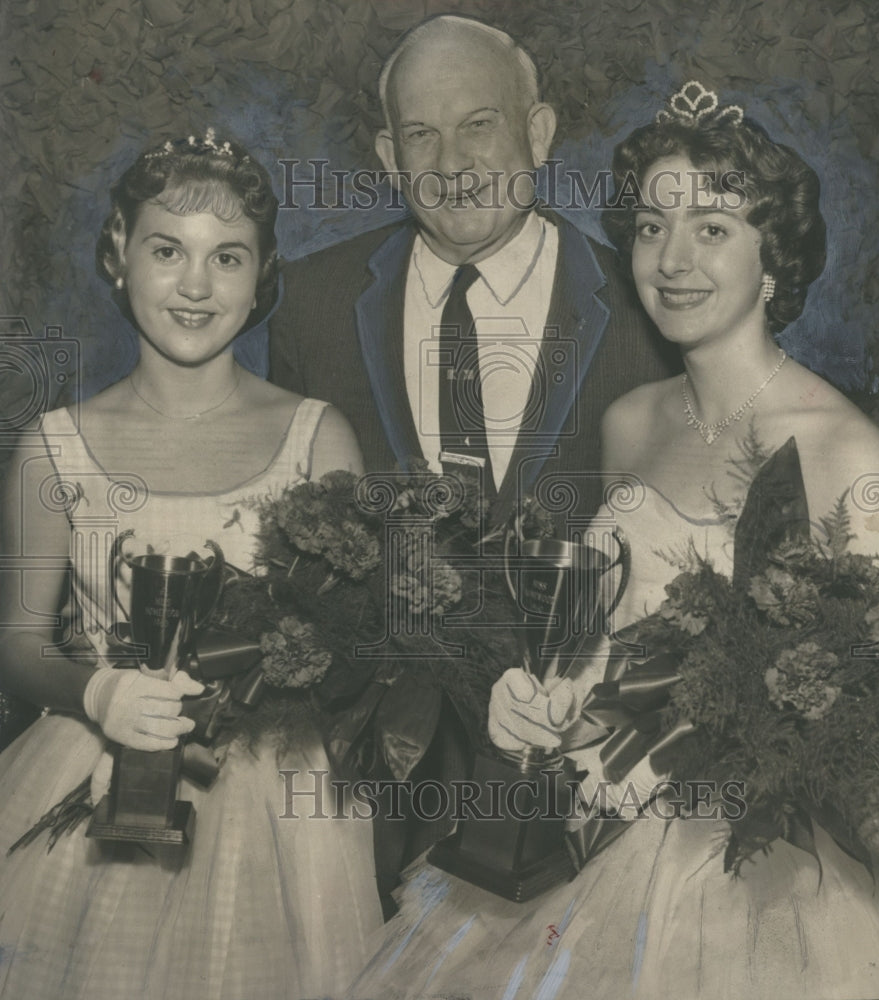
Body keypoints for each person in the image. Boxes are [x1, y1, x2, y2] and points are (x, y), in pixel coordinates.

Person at [343, 84, 879, 1000]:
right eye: (649, 226)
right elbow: (598, 629)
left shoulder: (843, 450)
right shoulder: (631, 421)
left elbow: (862, 721)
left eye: (712, 228)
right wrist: (536, 696)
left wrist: (666, 753)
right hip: (575, 831)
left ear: (776, 256)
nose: (671, 260)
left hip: (743, 871)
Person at [269, 13, 678, 910]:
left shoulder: (653, 318)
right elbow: (294, 558)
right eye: (421, 133)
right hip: (361, 794)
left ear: (536, 131)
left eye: (479, 124)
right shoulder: (311, 304)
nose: (450, 161)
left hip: (574, 798)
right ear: (386, 152)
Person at [0, 132, 383, 999]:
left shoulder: (317, 437)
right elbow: (16, 643)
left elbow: (354, 650)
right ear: (117, 253)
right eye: (167, 250)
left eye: (228, 258)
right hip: (96, 763)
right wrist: (98, 693)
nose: (197, 286)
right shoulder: (52, 448)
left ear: (262, 276)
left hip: (276, 797)